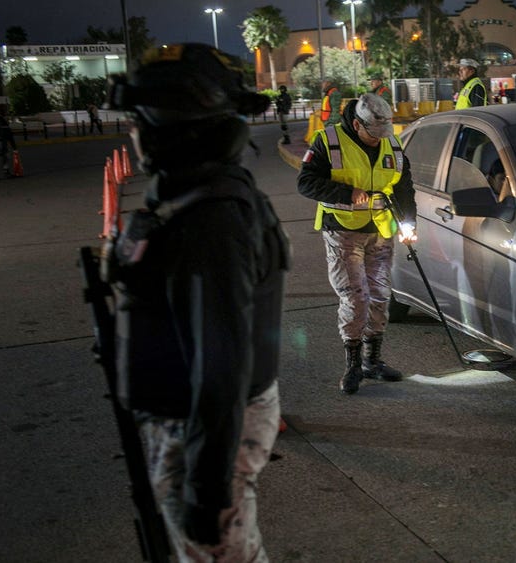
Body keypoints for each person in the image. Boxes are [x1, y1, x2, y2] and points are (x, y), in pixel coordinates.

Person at [104, 42, 290, 560]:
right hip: (190, 421)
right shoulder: (191, 196)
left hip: (201, 432)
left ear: (171, 127)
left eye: (139, 120)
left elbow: (222, 365)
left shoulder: (211, 218)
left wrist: (204, 492)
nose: (133, 133)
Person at [297, 93, 417, 394]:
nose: (379, 140)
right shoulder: (328, 141)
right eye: (373, 134)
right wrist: (345, 192)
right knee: (356, 298)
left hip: (380, 230)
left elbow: (404, 186)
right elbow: (306, 183)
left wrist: (408, 223)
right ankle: (352, 365)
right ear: (356, 124)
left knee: (379, 296)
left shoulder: (392, 142)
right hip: (342, 231)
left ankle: (372, 361)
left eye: (383, 134)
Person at [0, 112, 17, 180]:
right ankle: (5, 172)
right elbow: (10, 137)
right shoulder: (4, 126)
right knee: (5, 157)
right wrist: (14, 147)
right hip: (2, 144)